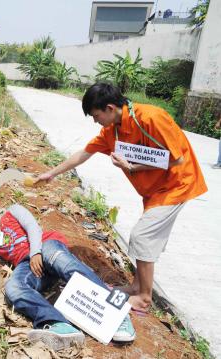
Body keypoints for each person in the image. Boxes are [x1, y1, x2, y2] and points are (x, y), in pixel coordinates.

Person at [34, 83, 208, 311]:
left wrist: (132, 167)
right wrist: (51, 173)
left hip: (177, 184)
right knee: (148, 238)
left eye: (96, 116)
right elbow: (83, 154)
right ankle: (137, 286)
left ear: (109, 108)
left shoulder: (152, 118)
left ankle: (144, 297)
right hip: (153, 192)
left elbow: (177, 160)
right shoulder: (112, 132)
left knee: (142, 236)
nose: (96, 122)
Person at [0, 195, 135, 351]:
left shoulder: (12, 211)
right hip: (28, 266)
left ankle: (118, 315)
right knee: (14, 289)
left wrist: (35, 253)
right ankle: (58, 324)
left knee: (66, 265)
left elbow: (33, 227)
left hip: (44, 247)